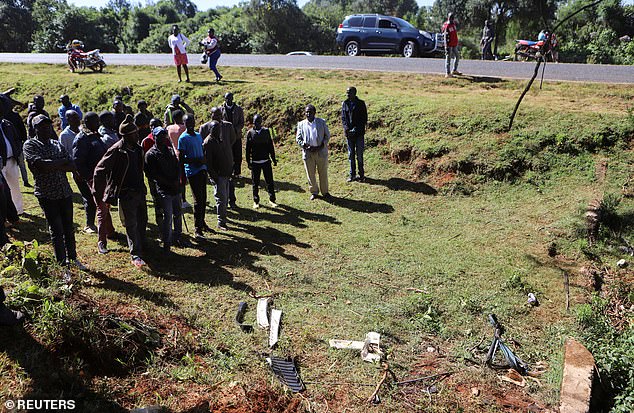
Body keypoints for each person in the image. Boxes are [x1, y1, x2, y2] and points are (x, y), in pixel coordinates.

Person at [23, 115, 86, 271]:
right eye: (42, 126)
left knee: (68, 229)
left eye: (48, 126)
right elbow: (42, 166)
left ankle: (73, 258)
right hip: (47, 194)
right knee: (57, 231)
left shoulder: (56, 144)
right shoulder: (30, 145)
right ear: (35, 128)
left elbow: (71, 164)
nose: (46, 129)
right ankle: (62, 264)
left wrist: (52, 164)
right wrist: (58, 163)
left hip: (64, 191)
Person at [93, 114, 148, 268]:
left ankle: (142, 245)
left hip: (139, 191)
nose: (138, 135)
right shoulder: (116, 150)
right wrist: (98, 192)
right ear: (126, 136)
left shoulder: (138, 149)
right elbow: (99, 170)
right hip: (126, 193)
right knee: (131, 224)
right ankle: (135, 254)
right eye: (134, 134)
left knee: (142, 220)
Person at [144, 127, 183, 251]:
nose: (162, 138)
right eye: (159, 136)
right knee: (168, 217)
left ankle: (178, 237)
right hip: (163, 190)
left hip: (175, 188)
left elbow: (177, 167)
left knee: (178, 214)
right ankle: (167, 242)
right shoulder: (150, 154)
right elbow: (153, 175)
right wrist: (169, 183)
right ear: (154, 137)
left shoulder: (170, 150)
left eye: (163, 135)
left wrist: (177, 181)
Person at [72, 112, 107, 237]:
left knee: (100, 201)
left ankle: (106, 227)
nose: (98, 124)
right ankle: (89, 225)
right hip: (87, 177)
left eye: (98, 121)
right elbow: (77, 161)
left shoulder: (95, 135)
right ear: (87, 122)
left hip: (98, 176)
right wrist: (88, 178)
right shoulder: (82, 138)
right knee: (90, 200)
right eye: (95, 121)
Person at [201, 107, 236, 231]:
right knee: (221, 197)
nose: (218, 117)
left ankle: (223, 217)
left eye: (220, 115)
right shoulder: (208, 139)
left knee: (225, 195)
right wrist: (213, 175)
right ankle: (221, 222)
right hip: (218, 172)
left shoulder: (225, 131)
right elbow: (207, 160)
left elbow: (232, 140)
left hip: (226, 168)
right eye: (215, 115)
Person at [179, 114, 209, 238]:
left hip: (202, 170)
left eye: (192, 122)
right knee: (198, 201)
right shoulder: (183, 138)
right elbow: (181, 159)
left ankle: (202, 223)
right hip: (192, 172)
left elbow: (202, 151)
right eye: (187, 122)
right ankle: (197, 229)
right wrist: (194, 161)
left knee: (203, 199)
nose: (190, 124)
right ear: (184, 124)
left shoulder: (198, 136)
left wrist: (203, 160)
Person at [296, 104, 330, 200]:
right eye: (306, 112)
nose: (308, 114)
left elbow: (327, 136)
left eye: (310, 112)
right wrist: (305, 146)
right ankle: (314, 192)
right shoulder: (301, 124)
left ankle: (325, 192)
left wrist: (322, 146)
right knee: (310, 174)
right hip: (308, 153)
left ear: (314, 113)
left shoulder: (321, 122)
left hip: (321, 152)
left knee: (323, 173)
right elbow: (298, 139)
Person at [245, 114, 277, 209]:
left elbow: (270, 146)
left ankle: (272, 199)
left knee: (269, 181)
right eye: (255, 122)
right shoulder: (250, 133)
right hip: (255, 162)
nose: (257, 124)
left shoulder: (266, 132)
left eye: (258, 122)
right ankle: (256, 201)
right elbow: (247, 149)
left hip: (266, 161)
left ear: (261, 122)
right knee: (255, 183)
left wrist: (273, 159)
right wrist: (248, 162)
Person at [0, 98, 24, 215]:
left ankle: (18, 210)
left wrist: (17, 151)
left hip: (12, 160)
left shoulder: (7, 124)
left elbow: (17, 139)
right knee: (4, 191)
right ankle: (6, 214)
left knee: (15, 186)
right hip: (1, 164)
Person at [341, 86, 367, 182]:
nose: (348, 94)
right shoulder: (345, 103)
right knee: (350, 155)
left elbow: (364, 119)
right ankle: (352, 175)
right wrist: (347, 129)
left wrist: (356, 129)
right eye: (347, 92)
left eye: (349, 92)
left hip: (359, 134)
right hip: (349, 135)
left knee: (359, 155)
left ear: (355, 93)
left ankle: (361, 175)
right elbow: (343, 118)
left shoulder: (361, 104)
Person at [442, 13, 461, 78]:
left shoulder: (453, 24)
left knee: (457, 56)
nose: (452, 20)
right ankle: (447, 73)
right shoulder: (446, 25)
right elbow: (445, 36)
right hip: (449, 45)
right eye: (451, 18)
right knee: (448, 59)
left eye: (453, 18)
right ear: (448, 18)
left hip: (454, 44)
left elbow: (454, 34)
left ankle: (454, 70)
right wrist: (446, 46)